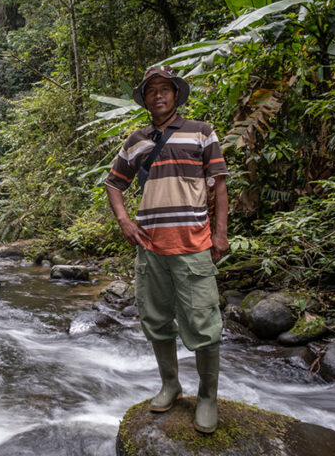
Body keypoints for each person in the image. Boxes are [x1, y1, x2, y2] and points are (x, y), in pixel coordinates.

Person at [105, 66, 229, 433]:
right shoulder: (136, 140)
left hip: (193, 243)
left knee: (204, 323)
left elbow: (219, 185)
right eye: (151, 90)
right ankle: (170, 384)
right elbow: (114, 184)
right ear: (144, 98)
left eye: (165, 89)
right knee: (156, 320)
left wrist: (220, 234)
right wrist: (126, 222)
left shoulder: (202, 132)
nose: (158, 95)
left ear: (176, 94)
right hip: (151, 246)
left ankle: (207, 397)